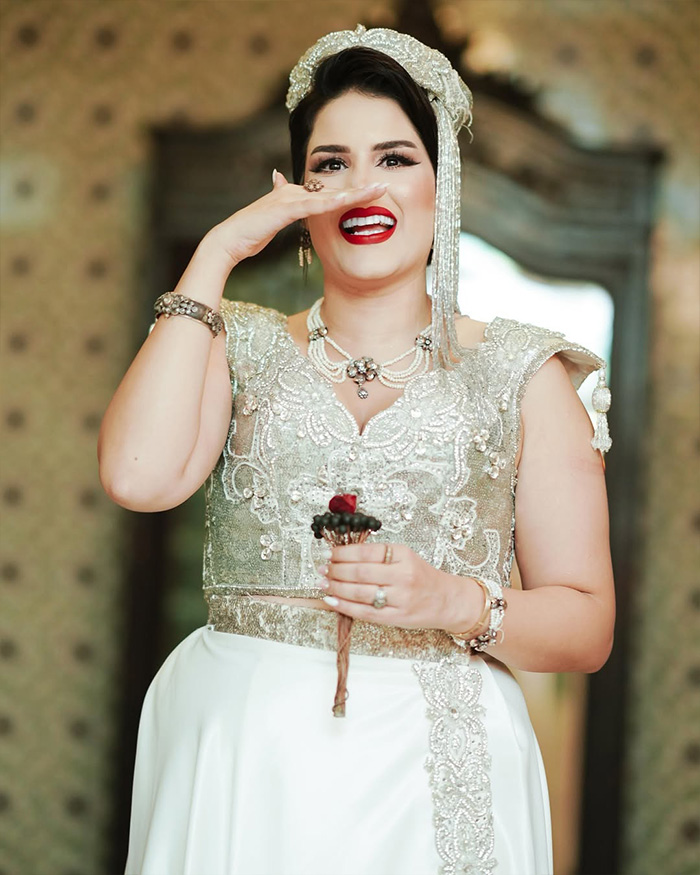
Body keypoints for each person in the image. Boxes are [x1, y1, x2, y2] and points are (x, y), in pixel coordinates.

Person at [99, 24, 615, 875]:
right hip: (243, 744)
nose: (362, 186)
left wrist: (452, 599)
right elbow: (135, 474)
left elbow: (586, 625)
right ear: (299, 192)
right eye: (330, 164)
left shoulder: (525, 374)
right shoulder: (237, 344)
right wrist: (216, 255)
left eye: (396, 158)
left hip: (435, 757)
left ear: (444, 183)